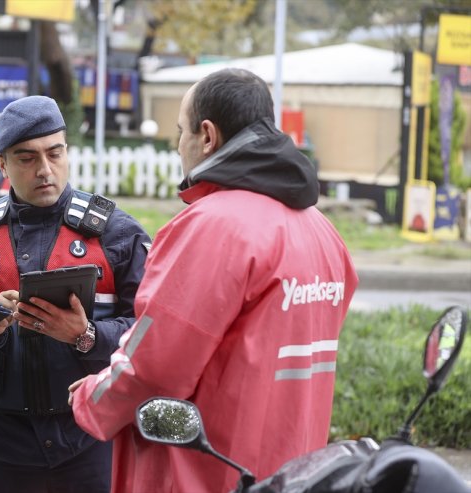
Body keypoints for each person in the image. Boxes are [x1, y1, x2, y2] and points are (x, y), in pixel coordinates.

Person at [69, 68, 359, 492]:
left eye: (180, 131)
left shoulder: (211, 227)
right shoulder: (321, 230)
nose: (176, 145)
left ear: (207, 136)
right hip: (292, 471)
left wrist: (90, 399)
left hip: (207, 471)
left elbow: (155, 367)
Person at [0, 95, 151, 493]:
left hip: (94, 442)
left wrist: (86, 335)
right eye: (27, 158)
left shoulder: (117, 236)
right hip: (1, 452)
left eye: (55, 154)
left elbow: (154, 336)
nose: (45, 170)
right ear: (0, 164)